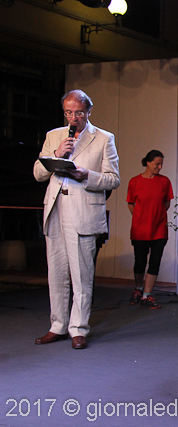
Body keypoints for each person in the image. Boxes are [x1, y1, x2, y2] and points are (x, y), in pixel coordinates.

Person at [33, 89, 120, 349]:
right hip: (55, 209)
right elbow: (38, 173)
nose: (74, 118)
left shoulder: (103, 138)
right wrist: (57, 153)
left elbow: (113, 179)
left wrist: (87, 175)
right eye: (69, 113)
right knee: (56, 273)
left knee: (81, 275)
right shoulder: (54, 136)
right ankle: (57, 326)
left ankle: (78, 328)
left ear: (88, 111)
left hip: (82, 211)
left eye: (79, 113)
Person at [127, 150, 174, 309]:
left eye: (161, 164)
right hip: (140, 229)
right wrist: (141, 217)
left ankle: (147, 294)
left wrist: (157, 216)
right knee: (140, 262)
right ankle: (138, 288)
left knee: (155, 261)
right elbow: (130, 204)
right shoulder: (135, 182)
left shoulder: (164, 181)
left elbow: (167, 202)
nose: (160, 167)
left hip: (159, 229)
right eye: (157, 164)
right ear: (147, 162)